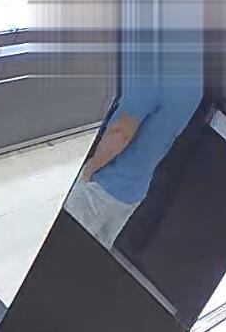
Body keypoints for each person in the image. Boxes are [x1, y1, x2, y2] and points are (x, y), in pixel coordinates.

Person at [66, 63, 202, 249]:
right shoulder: (195, 85)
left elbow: (120, 133)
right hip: (134, 192)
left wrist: (89, 169)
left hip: (103, 185)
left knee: (62, 247)